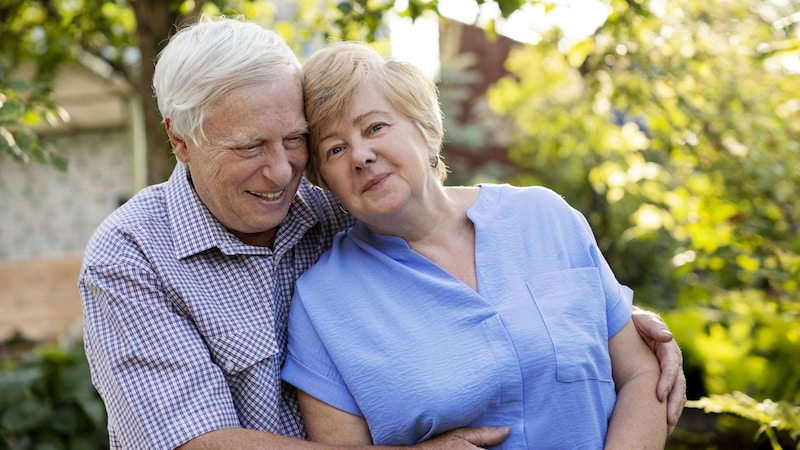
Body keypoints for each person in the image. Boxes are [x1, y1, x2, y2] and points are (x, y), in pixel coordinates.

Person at [78, 16, 683, 450]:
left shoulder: (331, 207)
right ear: (179, 141)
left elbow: (457, 232)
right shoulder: (132, 257)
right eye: (248, 147)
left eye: (294, 141)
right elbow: (194, 441)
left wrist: (616, 321)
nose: (282, 169)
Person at [281, 41, 671, 449]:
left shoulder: (546, 217)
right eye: (335, 149)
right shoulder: (321, 304)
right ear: (324, 182)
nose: (360, 155)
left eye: (376, 127)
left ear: (427, 132)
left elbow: (643, 376)